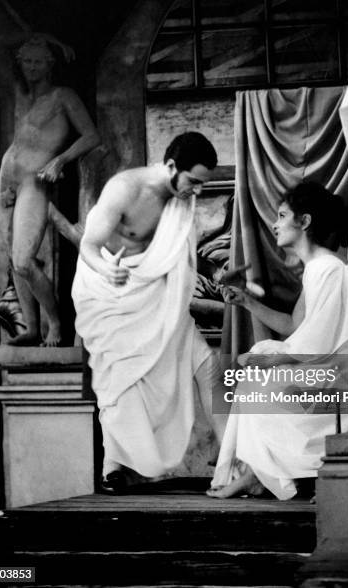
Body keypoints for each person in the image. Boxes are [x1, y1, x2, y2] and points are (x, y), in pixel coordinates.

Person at [72, 132, 226, 494]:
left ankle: (235, 459)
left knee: (208, 366)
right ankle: (113, 468)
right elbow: (89, 246)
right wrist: (107, 269)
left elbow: (177, 254)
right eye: (193, 182)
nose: (197, 192)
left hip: (154, 297)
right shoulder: (124, 188)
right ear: (171, 167)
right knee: (120, 380)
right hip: (108, 293)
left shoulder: (180, 199)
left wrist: (219, 278)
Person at [208, 182, 348, 500]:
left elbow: (319, 343)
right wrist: (246, 301)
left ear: (305, 221)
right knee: (251, 377)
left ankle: (259, 474)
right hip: (316, 366)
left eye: (283, 215)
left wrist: (271, 360)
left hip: (334, 373)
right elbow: (295, 325)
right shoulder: (316, 269)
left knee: (254, 378)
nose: (275, 223)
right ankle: (256, 472)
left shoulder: (330, 269)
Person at [0, 32, 100, 346]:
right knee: (14, 262)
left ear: (50, 63)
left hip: (35, 182)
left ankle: (55, 323)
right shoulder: (24, 97)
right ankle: (31, 328)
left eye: (38, 61)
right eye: (27, 61)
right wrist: (44, 40)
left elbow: (92, 136)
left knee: (25, 261)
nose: (31, 67)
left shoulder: (63, 96)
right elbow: (3, 44)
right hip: (7, 180)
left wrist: (60, 161)